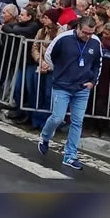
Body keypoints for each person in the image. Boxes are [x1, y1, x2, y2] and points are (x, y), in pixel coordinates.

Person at [37, 17, 102, 170]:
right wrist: (58, 71)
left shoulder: (95, 41)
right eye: (85, 33)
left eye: (91, 33)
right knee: (58, 117)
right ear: (78, 28)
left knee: (77, 121)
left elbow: (97, 63)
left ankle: (70, 155)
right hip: (62, 85)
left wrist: (93, 81)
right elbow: (49, 55)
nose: (88, 36)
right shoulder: (63, 38)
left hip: (82, 87)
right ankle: (45, 136)